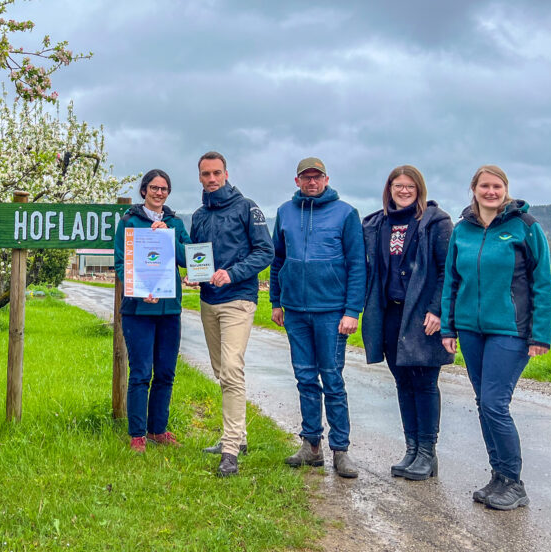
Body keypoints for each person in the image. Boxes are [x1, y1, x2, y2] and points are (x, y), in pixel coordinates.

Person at [441, 165, 551, 510]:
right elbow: (451, 282)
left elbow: (542, 284)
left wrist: (540, 335)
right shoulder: (462, 231)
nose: (491, 191)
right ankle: (499, 477)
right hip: (472, 331)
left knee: (494, 403)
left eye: (497, 186)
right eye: (485, 186)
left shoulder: (525, 228)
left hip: (511, 331)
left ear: (506, 189)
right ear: (473, 189)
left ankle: (514, 482)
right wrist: (449, 327)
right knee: (482, 403)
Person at [269, 157, 365, 478]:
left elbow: (357, 265)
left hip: (332, 312)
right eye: (306, 177)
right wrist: (276, 302)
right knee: (305, 378)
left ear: (326, 179)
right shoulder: (285, 212)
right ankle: (311, 446)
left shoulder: (346, 214)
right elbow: (277, 259)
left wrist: (352, 311)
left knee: (332, 381)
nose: (312, 182)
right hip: (295, 310)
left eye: (317, 177)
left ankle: (341, 450)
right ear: (297, 181)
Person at [361, 166, 453, 481]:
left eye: (410, 185)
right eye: (398, 185)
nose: (404, 190)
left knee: (425, 384)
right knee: (403, 383)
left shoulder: (435, 223)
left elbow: (448, 271)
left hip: (422, 316)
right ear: (389, 188)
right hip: (390, 314)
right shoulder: (377, 224)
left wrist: (437, 310)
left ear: (419, 188)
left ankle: (428, 453)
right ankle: (412, 449)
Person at [190, 151, 274, 477]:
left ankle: (229, 451)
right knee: (221, 371)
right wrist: (193, 274)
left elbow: (265, 251)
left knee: (232, 368)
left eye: (216, 173)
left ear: (226, 173)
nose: (211, 179)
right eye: (205, 174)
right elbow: (197, 256)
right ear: (199, 177)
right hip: (209, 301)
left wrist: (233, 273)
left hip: (239, 298)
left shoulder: (247, 207)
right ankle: (239, 437)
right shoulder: (198, 215)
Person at [113, 169, 192, 453]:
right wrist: (137, 290)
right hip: (137, 311)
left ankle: (158, 429)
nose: (160, 193)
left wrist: (170, 237)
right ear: (144, 190)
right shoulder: (129, 222)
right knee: (141, 373)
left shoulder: (175, 223)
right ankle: (137, 434)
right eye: (154, 188)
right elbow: (121, 263)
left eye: (165, 189)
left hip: (169, 310)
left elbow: (188, 259)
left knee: (166, 373)